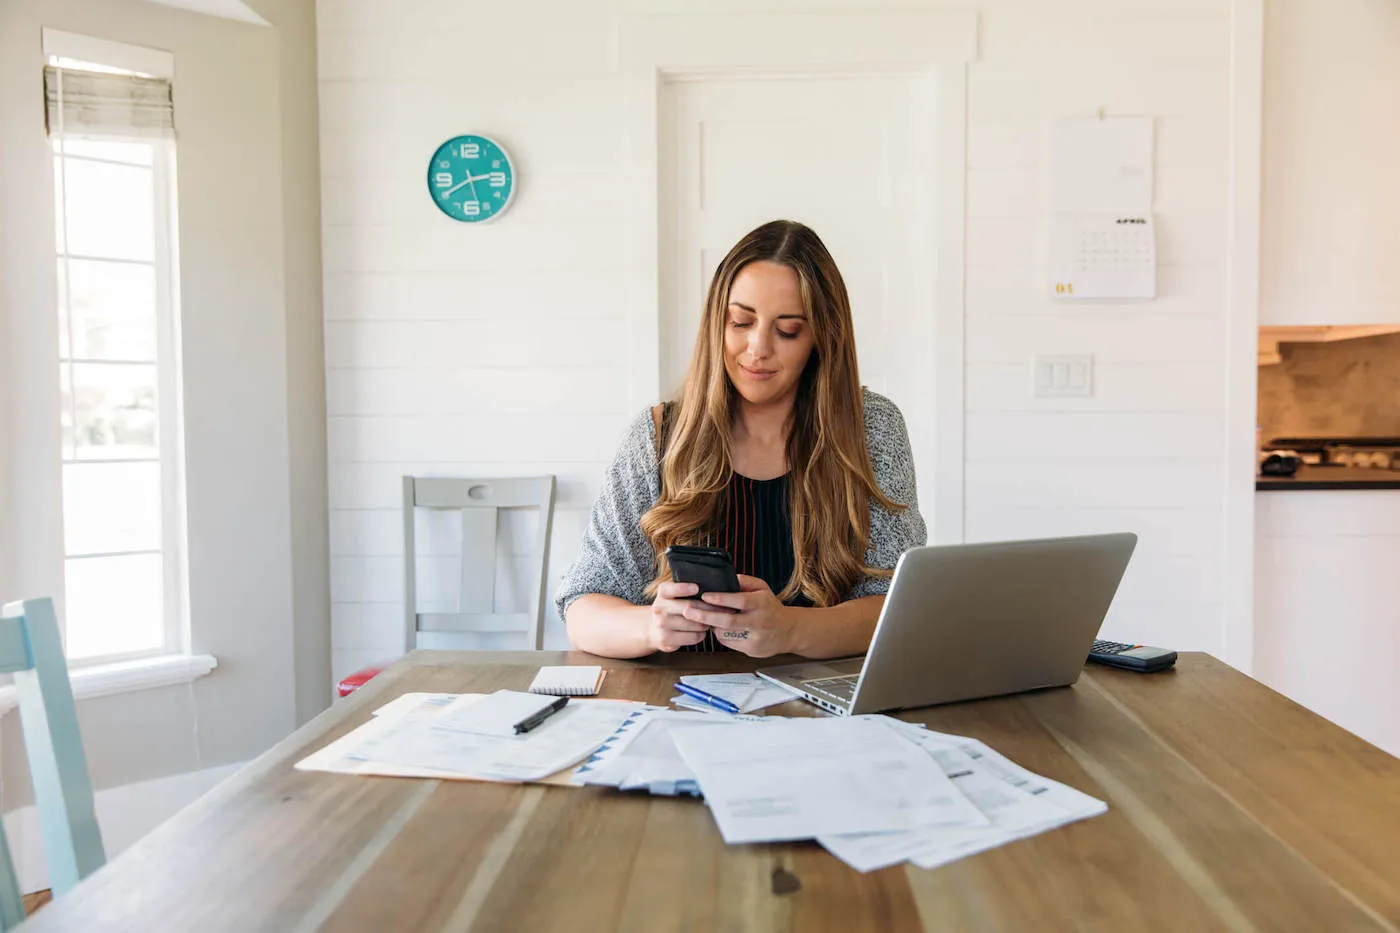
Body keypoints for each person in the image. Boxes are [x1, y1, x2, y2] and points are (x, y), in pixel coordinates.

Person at [556, 220, 926, 659]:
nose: (757, 347)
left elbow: (900, 607)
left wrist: (789, 630)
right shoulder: (658, 437)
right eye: (740, 322)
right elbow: (582, 608)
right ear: (717, 322)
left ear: (822, 338)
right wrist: (650, 626)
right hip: (681, 709)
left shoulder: (872, 429)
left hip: (823, 712)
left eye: (787, 330)